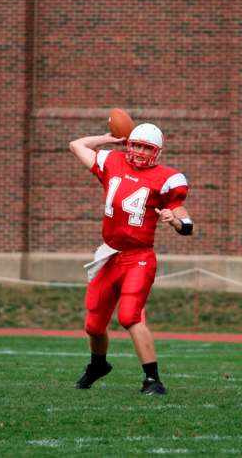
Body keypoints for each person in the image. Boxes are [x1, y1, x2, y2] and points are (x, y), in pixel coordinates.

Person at [69, 123, 192, 395]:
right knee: (93, 324)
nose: (139, 152)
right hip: (109, 255)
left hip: (139, 257)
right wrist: (105, 138)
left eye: (146, 148)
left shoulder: (168, 178)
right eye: (136, 145)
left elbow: (186, 221)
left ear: (157, 152)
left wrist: (175, 222)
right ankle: (98, 365)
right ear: (128, 145)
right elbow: (77, 145)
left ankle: (152, 380)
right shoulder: (112, 161)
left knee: (129, 316)